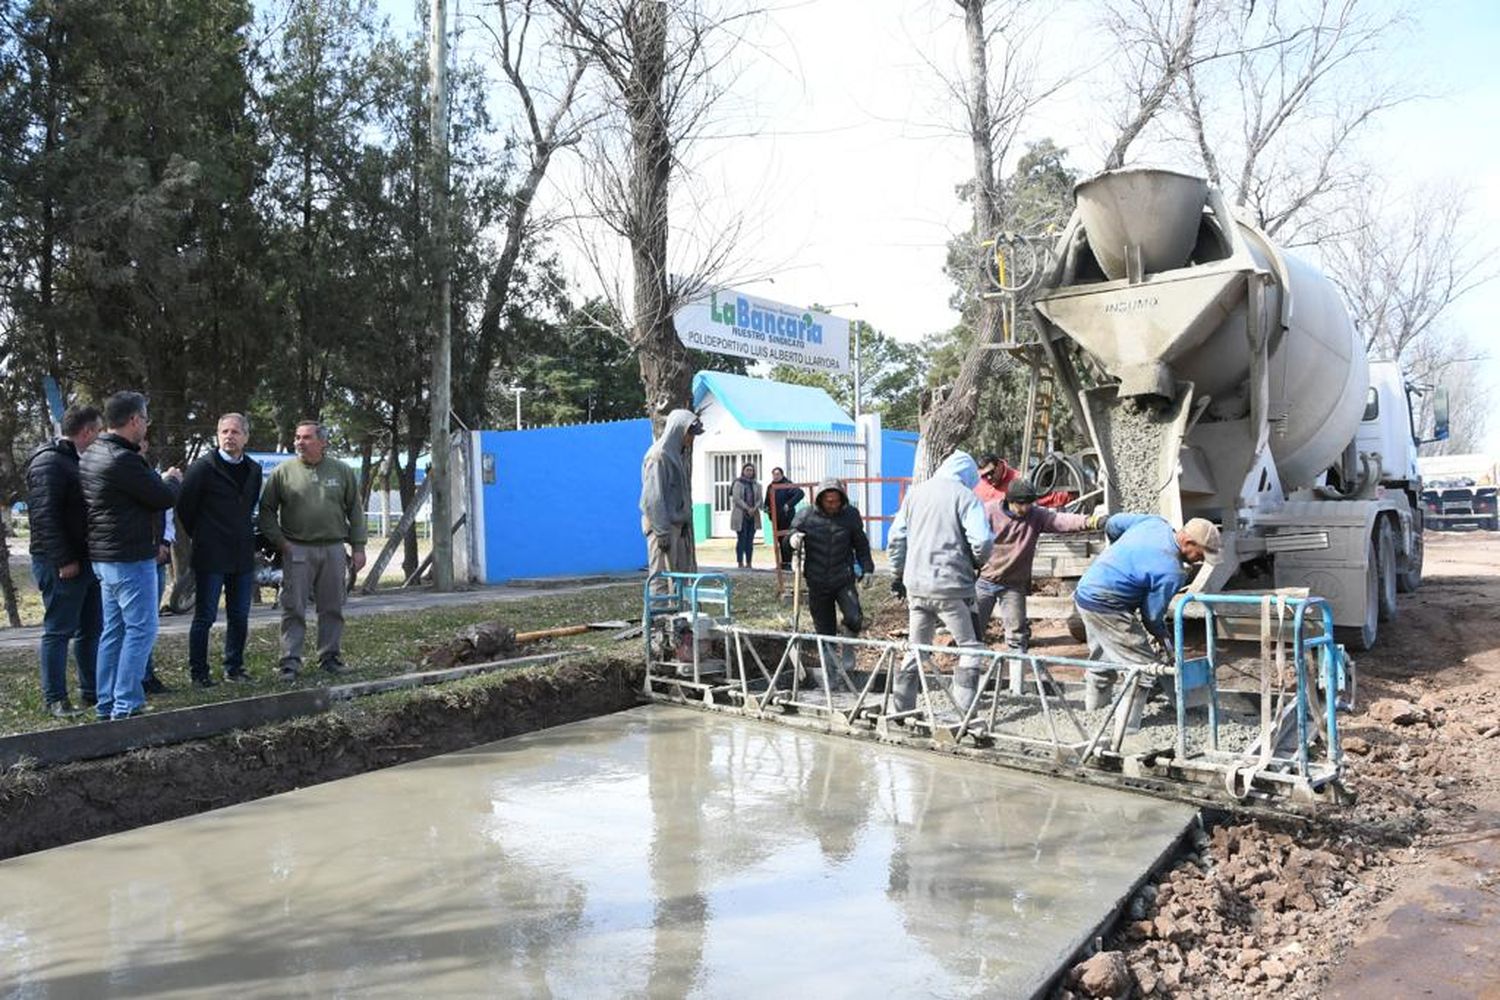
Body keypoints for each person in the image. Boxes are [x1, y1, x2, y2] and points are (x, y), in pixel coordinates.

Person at [79, 392, 182, 721]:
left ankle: (107, 703)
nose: (146, 427)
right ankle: (126, 704)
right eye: (145, 420)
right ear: (135, 420)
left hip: (105, 557)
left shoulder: (93, 452)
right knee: (141, 630)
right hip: (129, 556)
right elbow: (161, 497)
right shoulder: (123, 460)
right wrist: (172, 480)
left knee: (114, 631)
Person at [1073, 514, 1220, 717]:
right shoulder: (1171, 571)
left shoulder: (1154, 523)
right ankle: (1125, 732)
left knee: (1103, 658)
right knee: (1143, 668)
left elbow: (1113, 523)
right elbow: (1151, 616)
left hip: (1086, 591)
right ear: (1188, 542)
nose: (1200, 562)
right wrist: (1162, 636)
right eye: (1201, 555)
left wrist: (1119, 553)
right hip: (1109, 605)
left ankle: (1093, 714)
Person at [258, 420, 367, 681]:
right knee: (293, 607)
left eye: (306, 437)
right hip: (297, 549)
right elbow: (267, 511)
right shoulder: (283, 472)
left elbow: (355, 509)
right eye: (297, 437)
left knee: (332, 607)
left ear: (322, 442)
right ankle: (290, 662)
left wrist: (359, 546)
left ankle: (330, 657)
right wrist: (281, 542)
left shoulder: (341, 471)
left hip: (333, 549)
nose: (299, 442)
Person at [887, 451, 994, 713]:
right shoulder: (966, 497)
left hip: (916, 587)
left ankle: (900, 711)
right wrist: (977, 562)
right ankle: (963, 714)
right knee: (970, 647)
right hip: (952, 587)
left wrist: (898, 573)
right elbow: (982, 540)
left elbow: (896, 537)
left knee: (917, 648)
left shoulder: (915, 494)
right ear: (968, 474)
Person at [24, 404, 104, 717]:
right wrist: (64, 559)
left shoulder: (75, 461)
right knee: (59, 630)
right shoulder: (50, 464)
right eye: (98, 431)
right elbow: (44, 518)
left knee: (90, 629)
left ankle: (91, 691)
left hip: (86, 561)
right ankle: (55, 698)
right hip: (60, 562)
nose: (99, 437)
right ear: (86, 432)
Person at [976, 479, 1105, 671]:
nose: (1025, 508)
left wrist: (1091, 521)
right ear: (1009, 500)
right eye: (1021, 504)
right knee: (972, 632)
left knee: (1017, 637)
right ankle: (970, 680)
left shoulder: (1035, 515)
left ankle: (1016, 687)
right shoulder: (988, 512)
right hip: (985, 581)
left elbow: (1062, 521)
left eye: (1029, 504)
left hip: (1014, 585)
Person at [178, 413, 263, 686]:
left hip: (241, 554)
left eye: (235, 432)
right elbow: (185, 509)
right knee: (205, 616)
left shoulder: (253, 469)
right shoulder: (202, 468)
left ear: (246, 437)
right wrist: (205, 535)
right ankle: (199, 673)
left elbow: (248, 506)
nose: (229, 436)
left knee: (240, 615)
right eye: (224, 431)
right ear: (217, 435)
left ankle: (234, 667)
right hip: (210, 554)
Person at [789, 478, 875, 687]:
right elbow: (789, 538)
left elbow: (861, 544)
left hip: (843, 577)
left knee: (854, 617)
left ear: (842, 499)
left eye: (836, 501)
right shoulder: (806, 516)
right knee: (824, 629)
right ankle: (830, 673)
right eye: (828, 501)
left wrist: (868, 568)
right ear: (820, 500)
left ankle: (848, 653)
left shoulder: (851, 516)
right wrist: (793, 541)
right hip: (817, 580)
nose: (833, 505)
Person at [640, 409, 703, 584]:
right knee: (660, 577)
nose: (691, 440)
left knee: (677, 579)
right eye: (690, 434)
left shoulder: (675, 455)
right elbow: (652, 498)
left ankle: (676, 611)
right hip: (662, 528)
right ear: (679, 430)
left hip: (676, 526)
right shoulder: (658, 456)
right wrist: (662, 532)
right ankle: (659, 611)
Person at [765, 467, 804, 570]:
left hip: (787, 518)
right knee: (779, 540)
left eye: (778, 474)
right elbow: (767, 502)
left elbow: (800, 493)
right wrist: (767, 510)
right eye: (774, 474)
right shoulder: (771, 486)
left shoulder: (787, 484)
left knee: (786, 540)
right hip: (776, 518)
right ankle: (782, 564)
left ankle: (788, 563)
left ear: (782, 474)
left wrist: (788, 505)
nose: (776, 476)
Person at [730, 462, 762, 569]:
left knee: (750, 540)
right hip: (741, 515)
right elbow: (736, 498)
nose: (749, 472)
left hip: (753, 515)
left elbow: (759, 499)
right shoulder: (738, 483)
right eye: (747, 470)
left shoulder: (757, 485)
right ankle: (740, 562)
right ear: (743, 471)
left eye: (751, 470)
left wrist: (754, 508)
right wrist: (747, 508)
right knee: (742, 539)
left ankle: (749, 562)